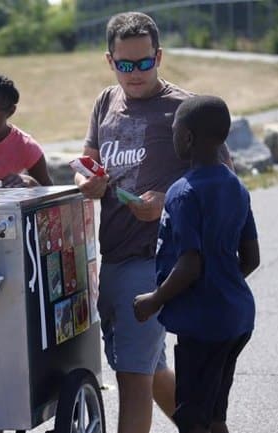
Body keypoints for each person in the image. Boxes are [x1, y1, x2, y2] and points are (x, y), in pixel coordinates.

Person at [74, 11, 232, 433]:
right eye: (125, 65)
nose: (135, 73)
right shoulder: (106, 102)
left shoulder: (183, 110)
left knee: (132, 379)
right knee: (150, 366)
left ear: (159, 56)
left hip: (157, 260)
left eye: (144, 62)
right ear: (110, 62)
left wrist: (167, 202)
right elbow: (86, 161)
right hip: (114, 257)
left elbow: (222, 182)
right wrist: (86, 180)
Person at [133, 95, 260, 433]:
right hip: (237, 318)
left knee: (191, 420)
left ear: (187, 137)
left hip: (203, 326)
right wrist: (221, 280)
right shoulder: (236, 187)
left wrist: (153, 300)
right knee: (214, 415)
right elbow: (251, 258)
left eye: (174, 130)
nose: (172, 136)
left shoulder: (182, 192)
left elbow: (190, 265)